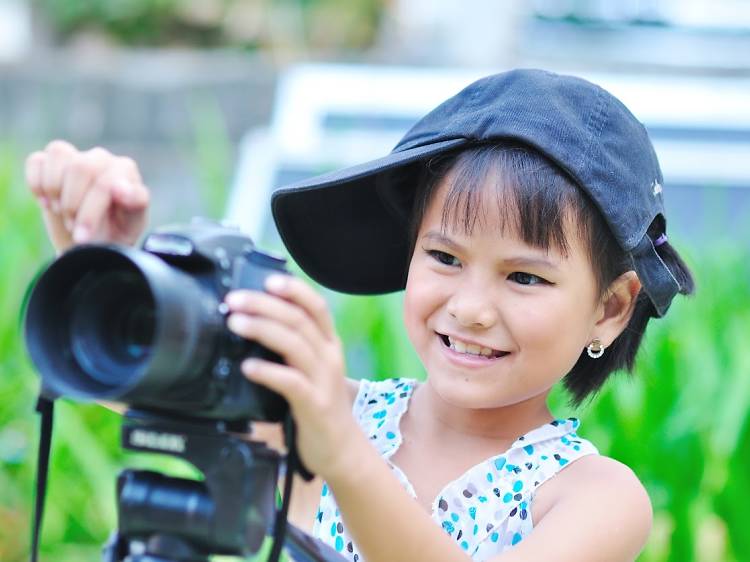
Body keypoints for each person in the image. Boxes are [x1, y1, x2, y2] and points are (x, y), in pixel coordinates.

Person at [25, 68, 694, 561]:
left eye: (524, 275)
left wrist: (342, 456)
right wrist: (101, 258)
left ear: (608, 309)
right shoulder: (328, 417)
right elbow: (167, 373)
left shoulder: (595, 498)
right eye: (444, 256)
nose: (470, 307)